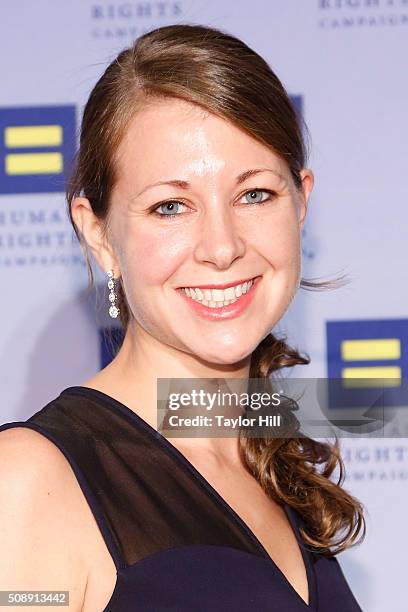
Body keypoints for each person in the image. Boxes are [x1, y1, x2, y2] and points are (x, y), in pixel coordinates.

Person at [0, 23, 366, 611]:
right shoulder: (30, 482)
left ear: (301, 201)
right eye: (170, 206)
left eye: (254, 195)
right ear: (99, 235)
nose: (221, 247)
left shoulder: (276, 458)